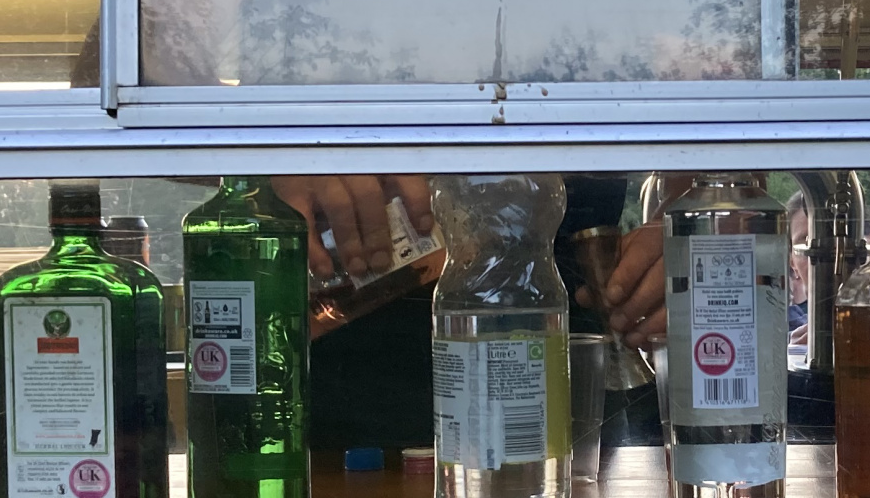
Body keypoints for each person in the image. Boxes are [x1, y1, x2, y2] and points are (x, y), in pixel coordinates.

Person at [271, 173, 666, 454]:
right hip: (342, 359)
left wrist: (683, 229)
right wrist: (273, 161)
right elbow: (234, 127)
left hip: (576, 362)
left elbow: (693, 155)